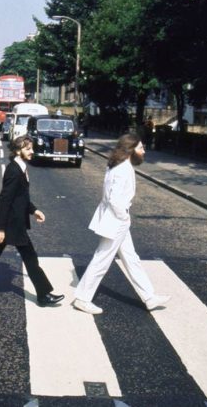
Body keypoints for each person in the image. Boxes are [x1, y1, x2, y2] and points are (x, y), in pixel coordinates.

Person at [73, 133, 170, 315]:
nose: (144, 151)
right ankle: (82, 298)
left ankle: (149, 297)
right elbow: (114, 198)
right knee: (102, 259)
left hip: (117, 220)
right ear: (130, 150)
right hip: (115, 220)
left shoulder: (118, 166)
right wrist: (124, 216)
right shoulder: (122, 169)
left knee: (131, 258)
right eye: (141, 148)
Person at [0, 135, 64, 307]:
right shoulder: (14, 170)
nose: (32, 151)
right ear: (18, 151)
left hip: (13, 222)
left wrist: (34, 210)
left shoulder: (20, 168)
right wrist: (0, 229)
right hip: (11, 224)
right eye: (28, 149)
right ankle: (43, 295)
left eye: (31, 148)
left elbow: (20, 198)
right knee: (30, 258)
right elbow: (5, 200)